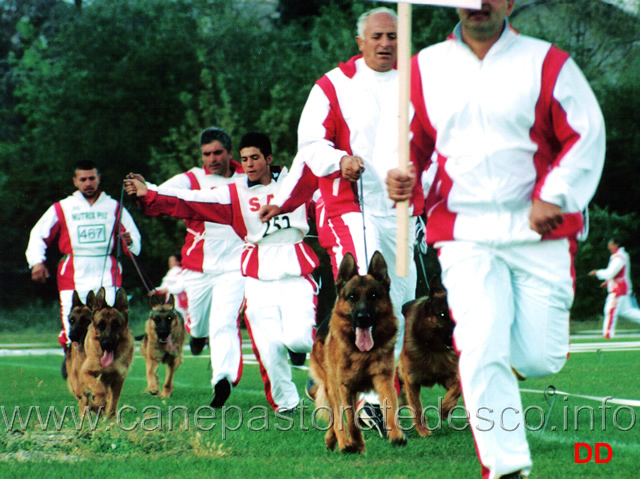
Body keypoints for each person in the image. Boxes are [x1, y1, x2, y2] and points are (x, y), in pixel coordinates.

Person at [386, 1, 605, 478]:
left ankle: (498, 356)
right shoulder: (424, 69)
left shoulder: (548, 63)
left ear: (508, 3)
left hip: (537, 230)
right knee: (479, 344)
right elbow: (410, 148)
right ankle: (505, 467)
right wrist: (404, 180)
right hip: (465, 234)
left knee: (537, 357)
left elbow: (586, 135)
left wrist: (557, 195)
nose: (479, 3)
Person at [259, 7, 420, 432]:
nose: (386, 43)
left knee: (396, 308)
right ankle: (361, 398)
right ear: (360, 42)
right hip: (350, 205)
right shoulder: (333, 85)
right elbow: (309, 143)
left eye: (393, 37)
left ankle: (372, 390)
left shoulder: (419, 84)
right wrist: (339, 159)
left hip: (402, 213)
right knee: (362, 289)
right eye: (378, 36)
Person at [125, 132, 319, 413]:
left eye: (255, 158)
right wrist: (149, 193)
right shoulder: (235, 193)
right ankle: (286, 404)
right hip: (256, 274)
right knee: (267, 347)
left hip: (295, 269)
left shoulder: (295, 184)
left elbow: (324, 200)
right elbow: (188, 200)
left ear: (269, 158)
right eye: (245, 159)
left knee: (298, 339)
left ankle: (313, 369)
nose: (249, 164)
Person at [154, 127, 247, 409]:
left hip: (235, 265)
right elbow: (161, 192)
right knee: (201, 321)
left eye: (218, 152)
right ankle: (197, 334)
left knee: (224, 322)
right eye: (207, 153)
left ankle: (223, 378)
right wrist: (142, 188)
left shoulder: (247, 176)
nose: (212, 158)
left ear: (230, 153)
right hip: (197, 266)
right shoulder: (192, 178)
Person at [26, 160, 141, 367]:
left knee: (108, 321)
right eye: (83, 179)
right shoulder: (63, 207)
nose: (88, 183)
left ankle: (107, 364)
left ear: (99, 178)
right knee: (73, 322)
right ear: (75, 181)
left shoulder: (114, 207)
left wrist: (130, 242)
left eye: (92, 178)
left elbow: (135, 242)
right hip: (74, 271)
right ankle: (73, 362)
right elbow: (38, 235)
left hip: (107, 270)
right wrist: (36, 262)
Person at [590, 238, 640, 338]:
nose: (609, 247)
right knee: (628, 312)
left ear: (616, 245)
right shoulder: (620, 256)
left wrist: (597, 273)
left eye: (611, 245)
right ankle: (607, 334)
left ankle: (608, 335)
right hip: (621, 288)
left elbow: (611, 272)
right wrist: (608, 282)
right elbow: (618, 273)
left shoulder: (619, 258)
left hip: (618, 289)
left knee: (610, 310)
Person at [151, 254, 190, 328]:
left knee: (183, 317)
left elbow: (180, 286)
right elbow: (164, 286)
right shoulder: (169, 273)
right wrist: (155, 291)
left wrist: (167, 290)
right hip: (170, 299)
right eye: (170, 261)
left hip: (180, 298)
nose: (170, 263)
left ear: (178, 262)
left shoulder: (181, 272)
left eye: (172, 261)